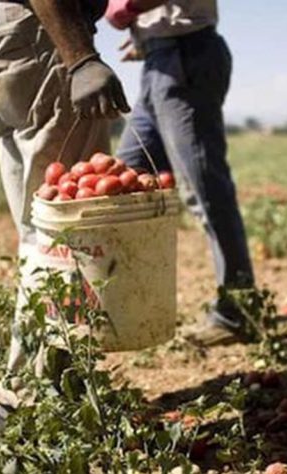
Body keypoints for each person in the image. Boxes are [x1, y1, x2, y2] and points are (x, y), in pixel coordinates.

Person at [0, 0, 130, 429]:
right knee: (67, 236)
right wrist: (81, 58)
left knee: (41, 233)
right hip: (40, 35)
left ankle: (44, 392)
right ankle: (29, 401)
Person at [106, 0, 255, 347]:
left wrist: (124, 8)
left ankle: (238, 311)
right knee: (125, 178)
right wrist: (146, 34)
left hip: (187, 55)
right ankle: (130, 303)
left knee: (205, 189)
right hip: (160, 58)